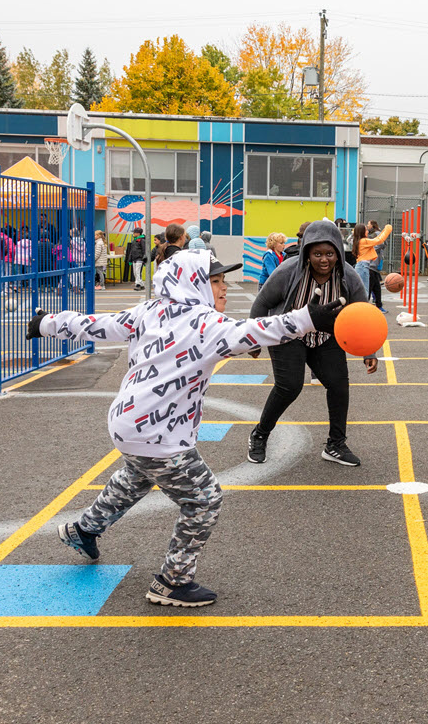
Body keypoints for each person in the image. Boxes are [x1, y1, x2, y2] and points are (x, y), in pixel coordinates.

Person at [29, 250, 345, 607]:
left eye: (223, 280)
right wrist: (309, 317)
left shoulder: (148, 310)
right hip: (159, 433)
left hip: (127, 423)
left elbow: (95, 324)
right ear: (192, 282)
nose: (224, 288)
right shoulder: (207, 324)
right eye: (216, 281)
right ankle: (172, 582)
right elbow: (258, 330)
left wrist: (45, 322)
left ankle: (83, 530)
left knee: (137, 475)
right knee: (204, 499)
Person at [247, 219, 378, 468]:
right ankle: (259, 435)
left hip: (325, 337)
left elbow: (363, 312)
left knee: (339, 386)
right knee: (289, 387)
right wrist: (253, 340)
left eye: (330, 253)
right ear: (307, 252)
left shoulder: (348, 276)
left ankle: (335, 444)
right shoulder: (288, 271)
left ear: (339, 253)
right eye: (317, 253)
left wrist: (369, 349)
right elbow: (262, 302)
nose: (324, 259)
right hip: (289, 335)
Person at [351, 221, 393, 306]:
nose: (367, 231)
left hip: (362, 266)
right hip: (363, 267)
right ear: (362, 232)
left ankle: (361, 308)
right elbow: (379, 240)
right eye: (366, 230)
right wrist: (388, 229)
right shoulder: (364, 241)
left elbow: (377, 239)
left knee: (364, 291)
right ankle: (362, 310)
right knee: (365, 292)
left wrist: (384, 229)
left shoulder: (360, 241)